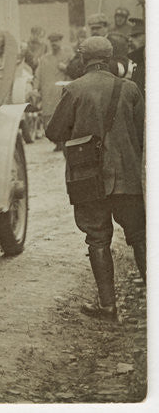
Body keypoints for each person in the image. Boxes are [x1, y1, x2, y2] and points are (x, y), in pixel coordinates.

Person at [45, 36, 145, 322]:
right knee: (140, 235)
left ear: (83, 58)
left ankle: (108, 307)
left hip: (89, 179)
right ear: (110, 56)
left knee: (97, 239)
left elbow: (53, 133)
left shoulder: (74, 90)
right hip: (127, 177)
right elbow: (142, 134)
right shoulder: (130, 89)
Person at [33, 32, 74, 150]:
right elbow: (38, 75)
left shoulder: (68, 56)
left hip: (62, 93)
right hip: (48, 95)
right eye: (52, 41)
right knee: (48, 122)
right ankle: (57, 142)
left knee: (64, 119)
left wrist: (66, 68)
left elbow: (75, 71)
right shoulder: (44, 58)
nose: (54, 44)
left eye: (56, 41)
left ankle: (63, 142)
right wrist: (36, 88)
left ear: (60, 42)